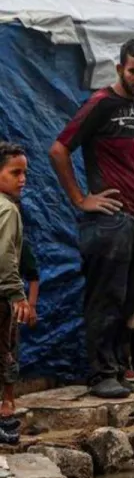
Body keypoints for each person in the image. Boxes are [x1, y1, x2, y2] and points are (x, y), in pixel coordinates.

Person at [49, 39, 134, 400]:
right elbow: (59, 149)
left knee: (129, 301)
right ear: (119, 69)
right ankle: (100, 375)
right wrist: (81, 199)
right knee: (106, 299)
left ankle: (117, 367)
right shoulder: (101, 104)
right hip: (112, 220)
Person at [0, 142, 37, 445]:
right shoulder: (8, 210)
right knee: (5, 352)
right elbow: (5, 258)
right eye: (15, 173)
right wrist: (17, 295)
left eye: (24, 173)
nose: (22, 179)